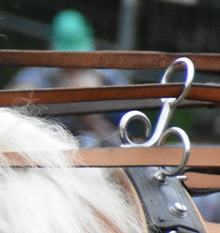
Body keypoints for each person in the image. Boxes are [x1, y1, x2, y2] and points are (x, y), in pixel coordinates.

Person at [8, 9, 130, 147]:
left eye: (80, 58)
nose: (73, 67)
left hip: (97, 153)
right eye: (66, 62)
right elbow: (9, 124)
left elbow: (129, 137)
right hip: (46, 150)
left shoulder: (108, 79)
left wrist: (92, 109)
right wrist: (24, 99)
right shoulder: (35, 77)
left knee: (90, 142)